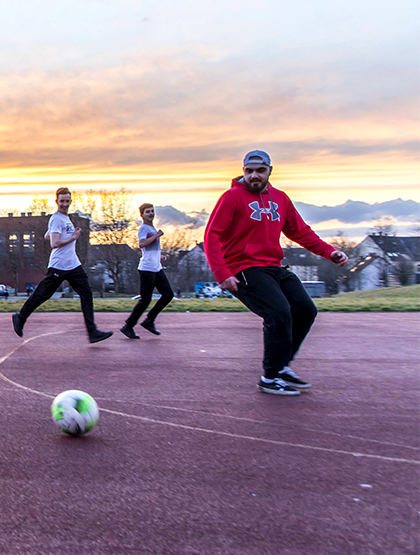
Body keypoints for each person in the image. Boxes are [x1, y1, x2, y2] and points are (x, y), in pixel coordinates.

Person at [204, 150, 348, 395]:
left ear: (270, 171)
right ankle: (270, 377)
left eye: (260, 170)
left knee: (305, 310)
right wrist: (222, 273)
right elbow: (211, 236)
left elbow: (300, 231)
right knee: (279, 312)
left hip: (274, 266)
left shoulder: (280, 198)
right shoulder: (231, 198)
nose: (254, 176)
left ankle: (281, 367)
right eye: (249, 171)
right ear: (243, 171)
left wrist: (329, 252)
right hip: (243, 268)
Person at [12, 188, 113, 343]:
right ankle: (20, 317)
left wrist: (64, 234)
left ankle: (92, 332)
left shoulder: (65, 219)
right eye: (62, 201)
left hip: (73, 264)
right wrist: (73, 237)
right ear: (57, 202)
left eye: (67, 201)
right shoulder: (57, 218)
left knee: (87, 294)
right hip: (59, 265)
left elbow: (48, 236)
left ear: (70, 201)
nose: (65, 204)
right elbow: (54, 243)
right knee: (42, 295)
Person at [121, 203, 174, 339]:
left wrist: (159, 257)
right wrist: (157, 235)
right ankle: (128, 326)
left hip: (156, 267)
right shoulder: (144, 228)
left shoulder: (151, 227)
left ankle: (149, 320)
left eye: (152, 211)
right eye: (147, 212)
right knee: (145, 300)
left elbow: (150, 249)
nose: (151, 213)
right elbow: (142, 244)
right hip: (147, 269)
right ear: (142, 215)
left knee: (168, 294)